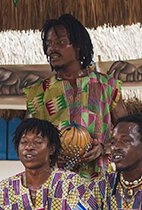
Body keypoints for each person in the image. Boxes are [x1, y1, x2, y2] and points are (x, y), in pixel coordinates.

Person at [24, 13, 127, 180]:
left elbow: (126, 134)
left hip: (99, 185)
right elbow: (26, 141)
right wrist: (48, 152)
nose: (52, 49)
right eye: (49, 44)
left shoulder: (107, 87)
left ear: (78, 46)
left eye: (60, 43)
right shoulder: (39, 93)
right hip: (54, 186)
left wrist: (104, 147)